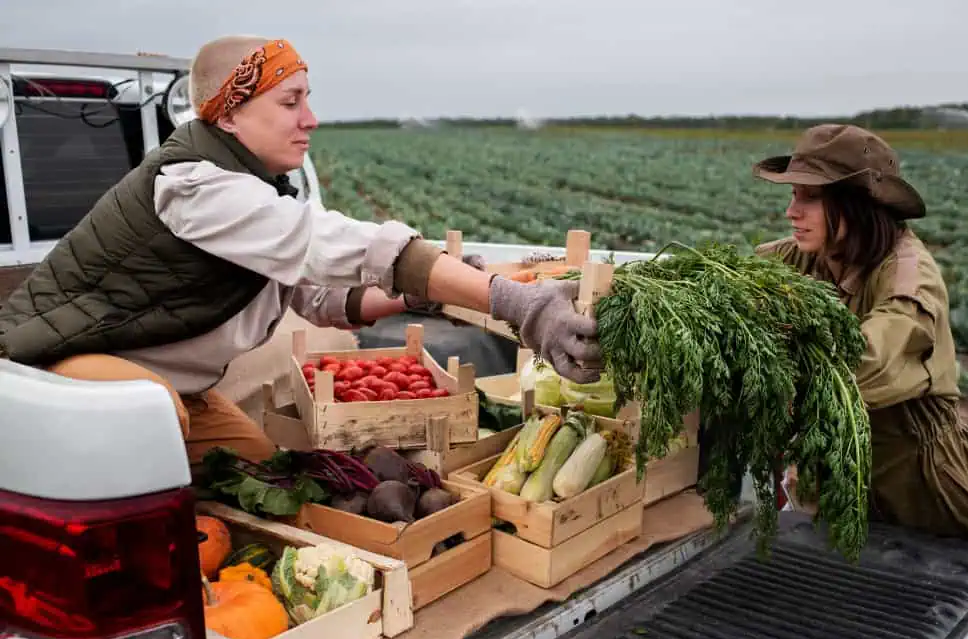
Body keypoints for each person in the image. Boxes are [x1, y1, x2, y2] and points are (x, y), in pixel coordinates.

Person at [0, 35, 602, 463]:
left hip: (174, 387)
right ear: (230, 116)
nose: (310, 119)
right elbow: (324, 243)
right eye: (290, 103)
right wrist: (515, 304)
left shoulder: (253, 188)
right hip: (57, 369)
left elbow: (316, 296)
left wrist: (421, 297)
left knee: (263, 471)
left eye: (308, 99)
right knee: (151, 419)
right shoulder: (193, 188)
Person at [752, 123, 968, 544]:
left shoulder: (909, 277)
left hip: (918, 489)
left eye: (809, 197)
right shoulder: (808, 254)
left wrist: (763, 369)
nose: (791, 211)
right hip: (834, 475)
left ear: (857, 204)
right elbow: (740, 286)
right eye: (793, 194)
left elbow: (866, 361)